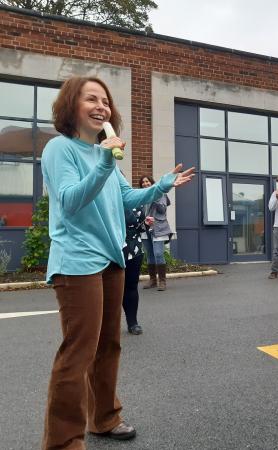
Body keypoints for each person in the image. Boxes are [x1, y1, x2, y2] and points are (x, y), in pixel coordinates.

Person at [40, 76, 194, 450]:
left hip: (112, 258)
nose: (101, 107)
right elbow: (70, 200)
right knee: (79, 350)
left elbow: (126, 198)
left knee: (109, 345)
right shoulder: (61, 149)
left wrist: (161, 185)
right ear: (71, 106)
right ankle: (62, 442)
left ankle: (104, 418)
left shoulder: (104, 153)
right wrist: (105, 162)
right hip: (77, 261)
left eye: (106, 101)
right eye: (91, 99)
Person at [139, 175, 172, 291]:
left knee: (158, 253)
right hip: (145, 228)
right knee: (150, 254)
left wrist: (154, 198)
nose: (145, 184)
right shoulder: (142, 195)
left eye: (147, 181)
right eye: (143, 182)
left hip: (158, 227)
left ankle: (162, 281)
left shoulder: (160, 193)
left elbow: (162, 210)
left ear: (151, 182)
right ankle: (153, 280)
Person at [122, 207, 146, 335]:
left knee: (131, 287)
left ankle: (133, 323)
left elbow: (141, 228)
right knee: (110, 289)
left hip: (134, 251)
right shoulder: (107, 200)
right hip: (111, 252)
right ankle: (107, 326)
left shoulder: (137, 205)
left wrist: (146, 224)